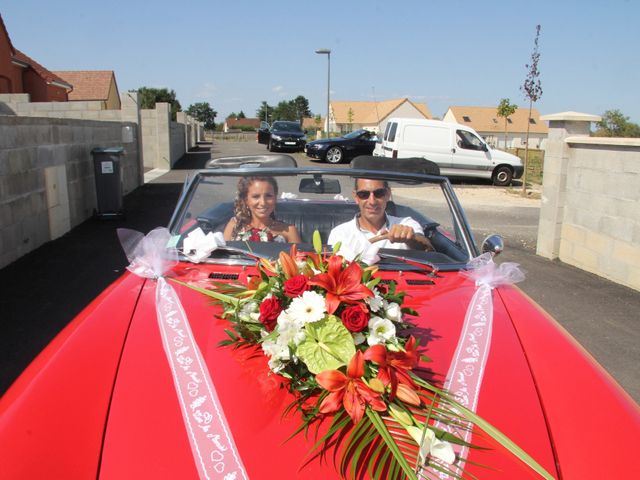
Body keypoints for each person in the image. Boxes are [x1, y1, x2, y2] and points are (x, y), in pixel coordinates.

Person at [328, 178, 433, 251]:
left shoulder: (407, 224)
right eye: (364, 194)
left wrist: (411, 239)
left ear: (387, 194)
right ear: (356, 197)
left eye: (379, 193)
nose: (372, 201)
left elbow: (428, 250)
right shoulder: (340, 234)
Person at [223, 176, 301, 243]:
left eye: (269, 196)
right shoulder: (234, 225)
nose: (263, 203)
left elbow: (299, 259)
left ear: (275, 198)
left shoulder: (289, 231)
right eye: (256, 196)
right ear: (246, 200)